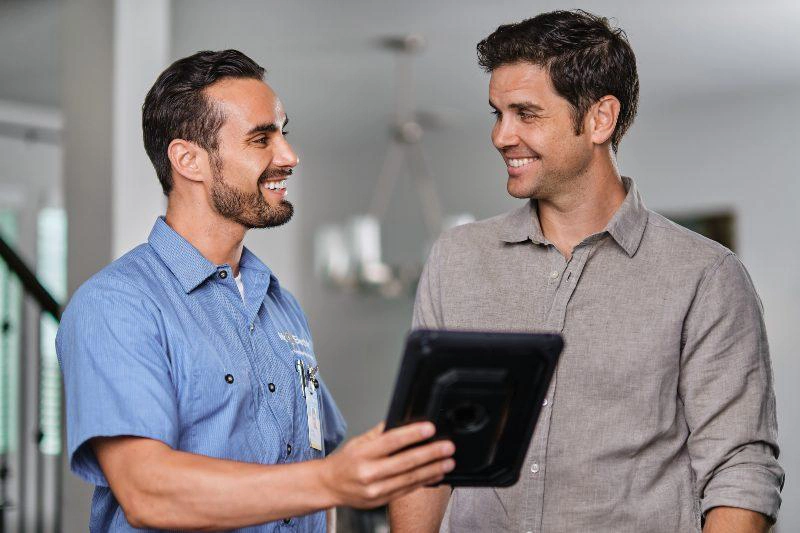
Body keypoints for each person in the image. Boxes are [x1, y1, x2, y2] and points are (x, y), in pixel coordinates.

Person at [388, 10, 783, 533]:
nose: (501, 136)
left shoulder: (704, 276)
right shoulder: (457, 259)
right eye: (496, 113)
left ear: (600, 118)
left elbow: (740, 468)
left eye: (525, 113)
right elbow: (425, 449)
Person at [56, 49, 455, 532]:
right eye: (261, 139)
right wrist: (331, 480)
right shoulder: (117, 305)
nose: (288, 156)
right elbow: (147, 490)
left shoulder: (280, 306)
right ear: (188, 159)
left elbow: (317, 456)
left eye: (283, 134)